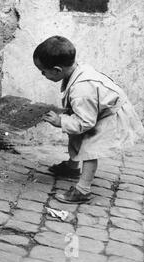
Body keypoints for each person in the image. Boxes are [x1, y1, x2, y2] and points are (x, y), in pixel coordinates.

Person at [34, 36, 144, 204]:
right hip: (99, 110)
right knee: (77, 134)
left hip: (110, 116)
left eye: (43, 71)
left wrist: (60, 121)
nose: (42, 74)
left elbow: (85, 123)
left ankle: (83, 190)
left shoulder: (82, 89)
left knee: (90, 147)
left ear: (57, 70)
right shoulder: (75, 70)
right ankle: (71, 167)